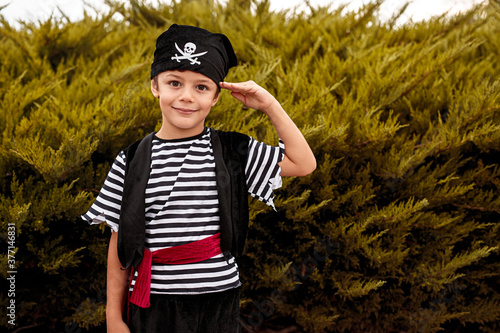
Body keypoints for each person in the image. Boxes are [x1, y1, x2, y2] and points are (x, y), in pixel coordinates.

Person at [82, 24, 316, 333]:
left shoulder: (233, 152)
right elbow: (118, 243)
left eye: (201, 87)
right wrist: (114, 317)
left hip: (218, 302)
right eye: (174, 83)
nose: (186, 97)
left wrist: (269, 105)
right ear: (155, 86)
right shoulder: (131, 160)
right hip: (154, 305)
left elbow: (303, 163)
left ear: (216, 97)